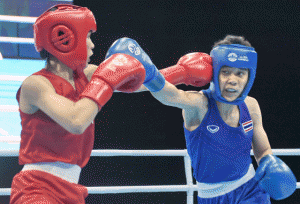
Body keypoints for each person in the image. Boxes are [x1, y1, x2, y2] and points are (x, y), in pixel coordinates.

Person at [105, 35, 297, 203]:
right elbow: (169, 95)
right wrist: (150, 70)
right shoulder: (199, 105)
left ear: (249, 77)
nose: (233, 79)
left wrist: (269, 161)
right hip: (211, 196)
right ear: (215, 74)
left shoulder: (251, 106)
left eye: (240, 73)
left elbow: (262, 150)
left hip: (250, 189)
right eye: (226, 72)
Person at [9, 4, 146, 204]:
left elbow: (141, 85)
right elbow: (76, 121)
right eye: (87, 36)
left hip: (72, 191)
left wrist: (182, 73)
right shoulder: (36, 84)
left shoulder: (88, 75)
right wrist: (105, 81)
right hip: (36, 189)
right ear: (64, 39)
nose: (92, 45)